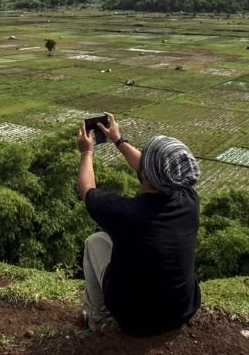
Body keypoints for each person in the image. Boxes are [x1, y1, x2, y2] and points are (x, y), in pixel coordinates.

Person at [77, 112, 201, 336]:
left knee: (95, 241)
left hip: (135, 320)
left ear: (146, 172)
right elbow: (151, 170)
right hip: (182, 310)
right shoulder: (189, 202)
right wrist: (118, 139)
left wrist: (87, 151)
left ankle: (98, 316)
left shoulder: (127, 214)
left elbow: (87, 189)